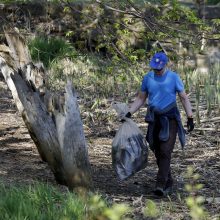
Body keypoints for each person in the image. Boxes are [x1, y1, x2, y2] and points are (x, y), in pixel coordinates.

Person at [124, 51, 194, 196]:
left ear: (165, 65)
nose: (157, 70)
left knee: (165, 150)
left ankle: (160, 184)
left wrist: (190, 117)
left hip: (171, 118)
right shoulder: (148, 78)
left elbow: (183, 98)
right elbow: (141, 98)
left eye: (159, 68)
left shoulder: (174, 78)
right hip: (154, 119)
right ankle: (168, 179)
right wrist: (129, 113)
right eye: (155, 68)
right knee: (155, 148)